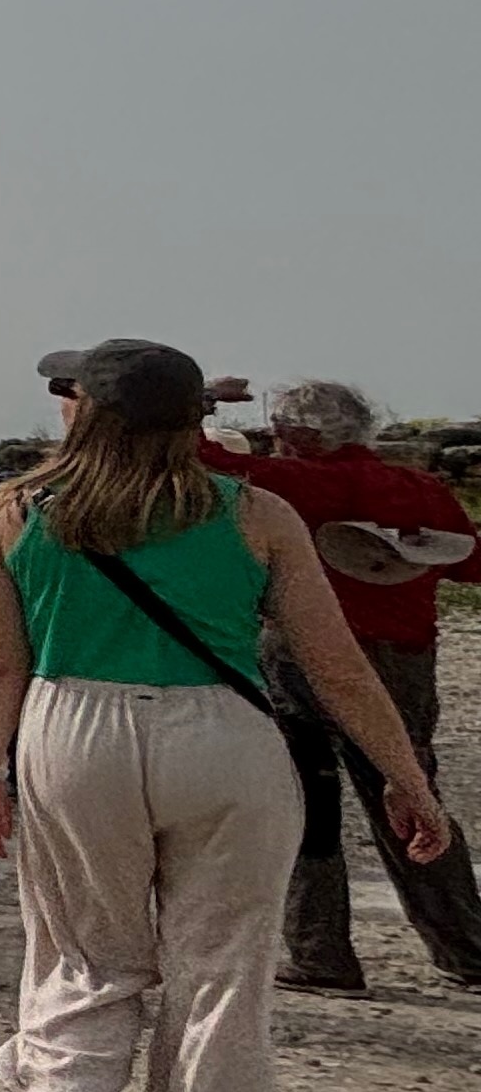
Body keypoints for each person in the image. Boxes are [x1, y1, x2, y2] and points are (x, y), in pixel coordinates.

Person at [0, 339, 451, 1092]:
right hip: (221, 737)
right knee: (223, 973)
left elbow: (0, 663)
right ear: (196, 420)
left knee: (82, 948)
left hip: (72, 727)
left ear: (84, 411)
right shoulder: (256, 514)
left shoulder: (14, 510)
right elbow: (336, 664)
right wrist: (405, 776)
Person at [195, 374, 481, 990]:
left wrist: (201, 399)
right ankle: (466, 948)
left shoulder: (300, 483)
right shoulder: (420, 487)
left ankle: (321, 954)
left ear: (297, 436)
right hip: (405, 658)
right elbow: (471, 564)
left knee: (306, 802)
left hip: (302, 653)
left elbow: (197, 456)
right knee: (411, 795)